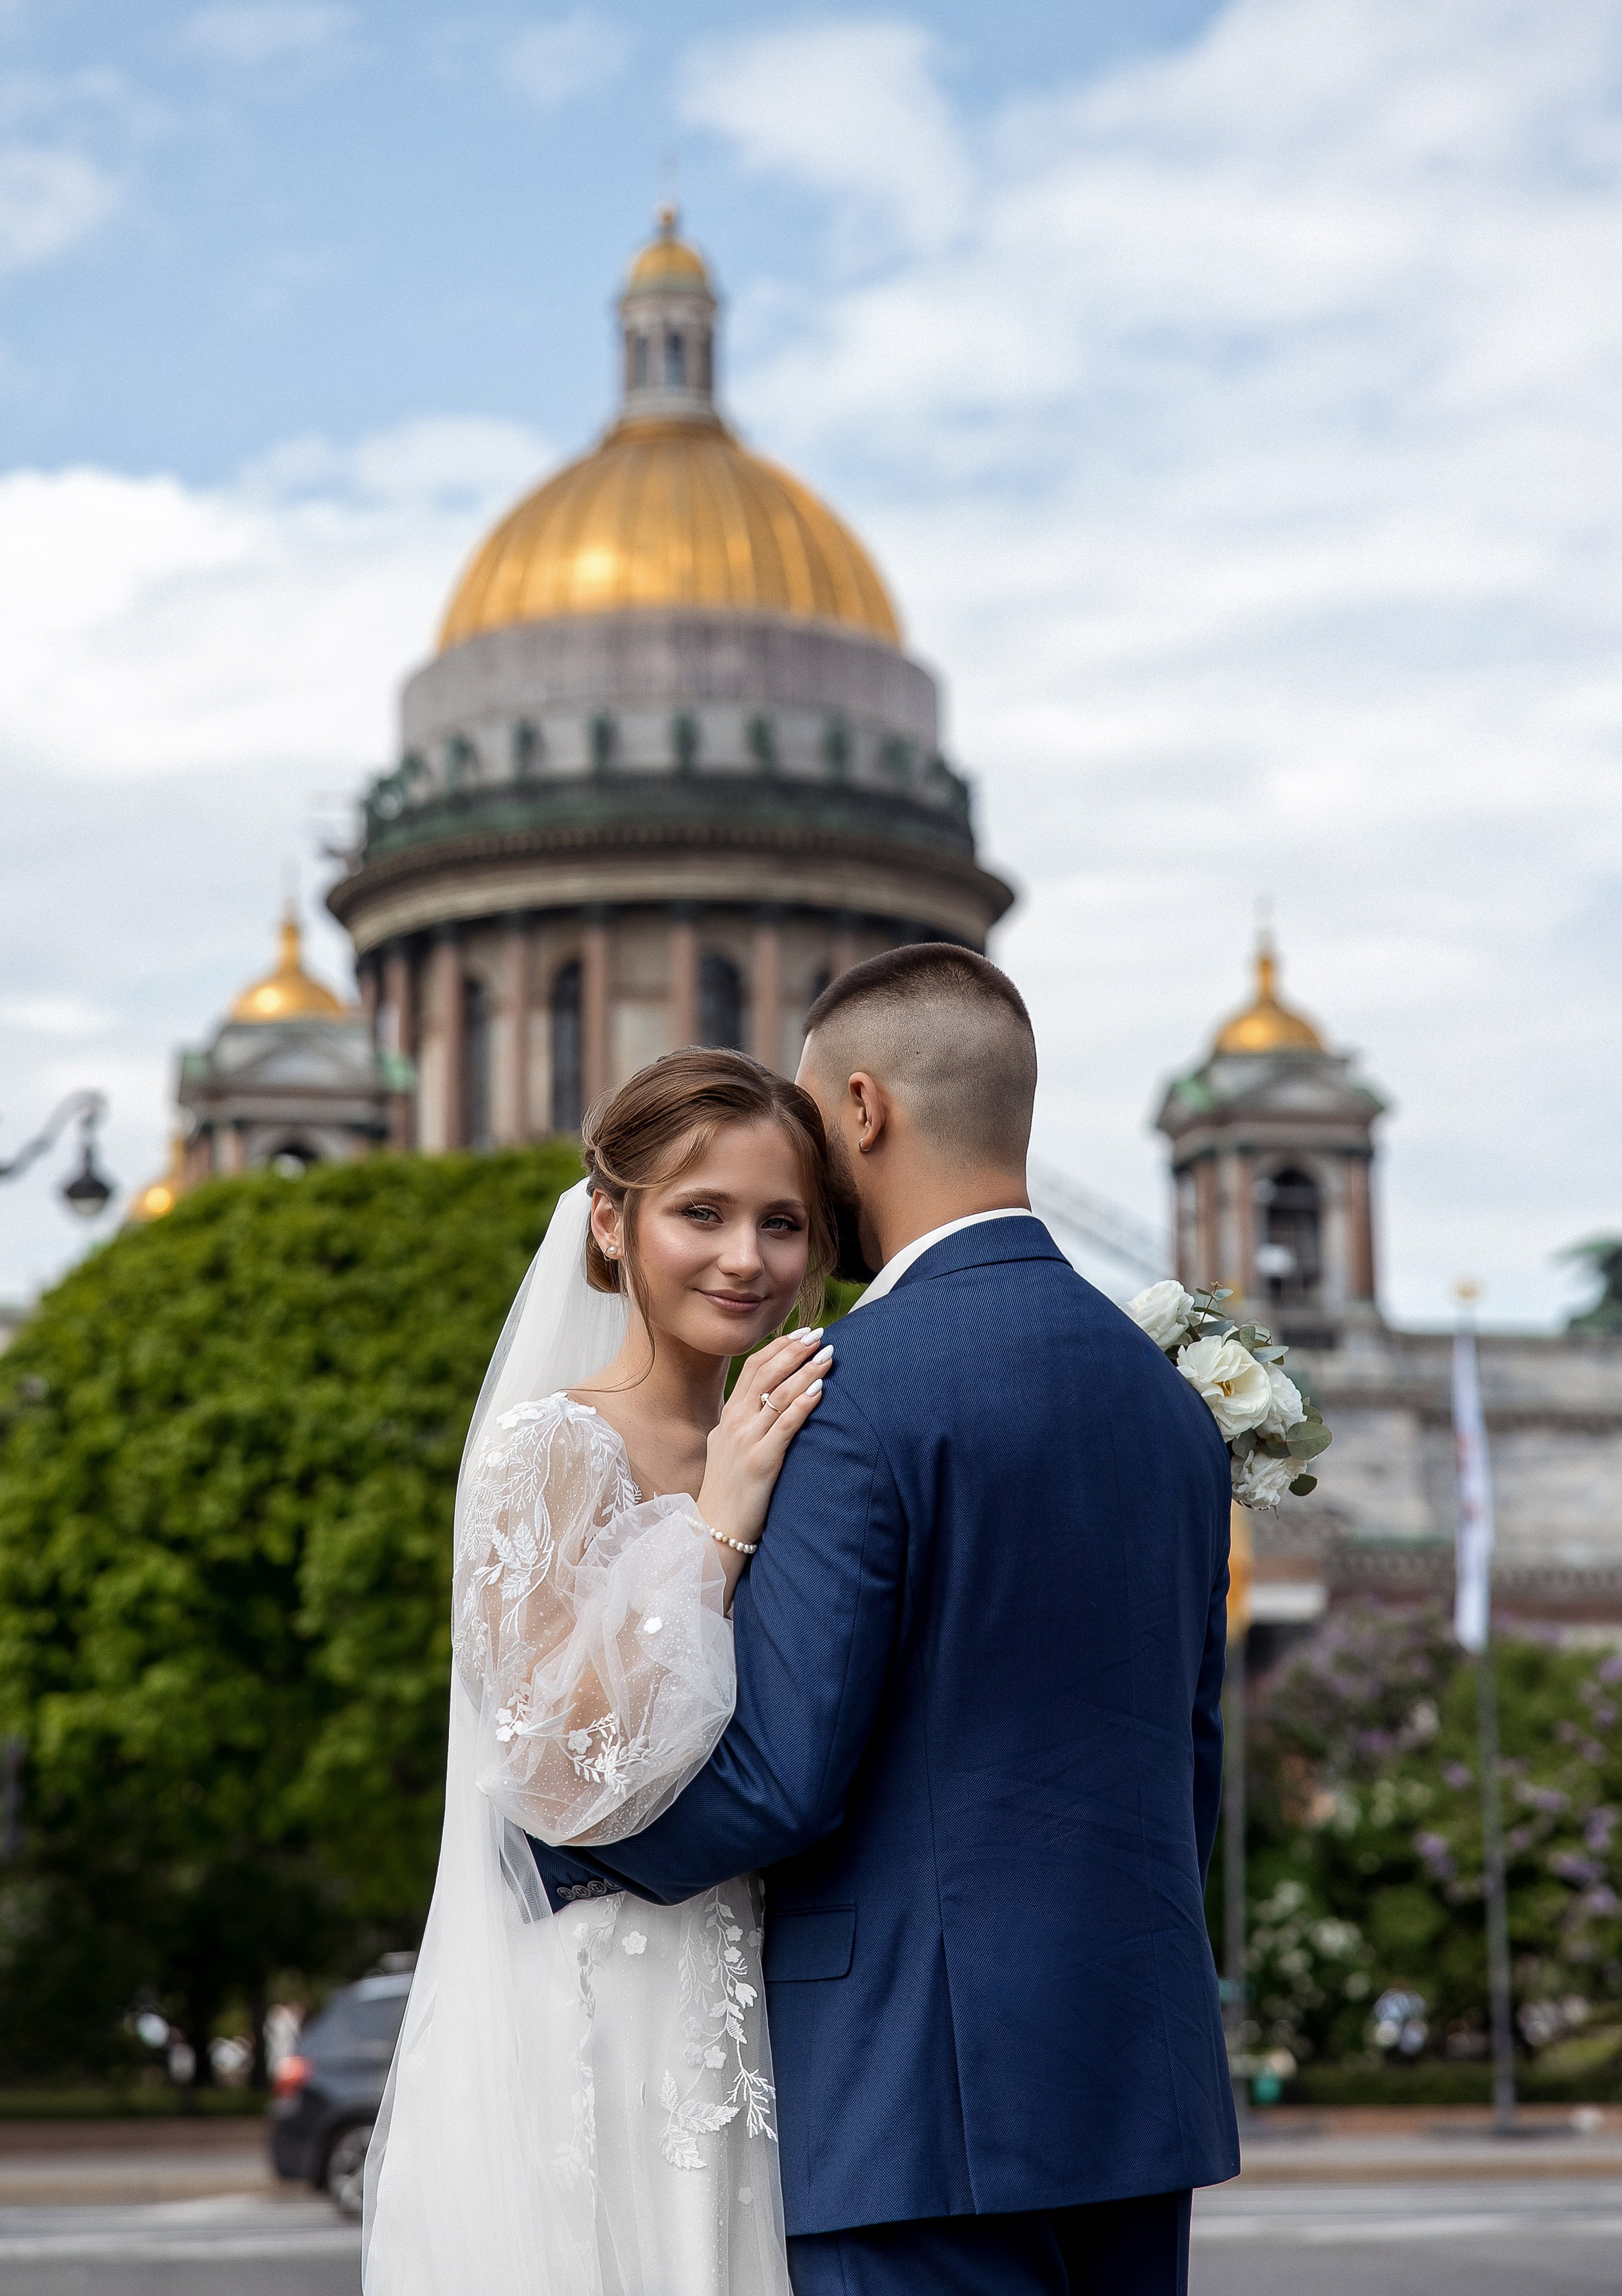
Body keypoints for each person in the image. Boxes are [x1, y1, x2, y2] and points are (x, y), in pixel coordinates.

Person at [529, 944, 1241, 2296]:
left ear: (861, 1110)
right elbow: (1185, 1763)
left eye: (807, 1124)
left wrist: (557, 1843)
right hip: (1133, 2084)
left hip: (908, 2095)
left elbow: (783, 1779)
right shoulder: (1171, 1406)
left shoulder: (839, 1390)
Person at [361, 1048, 841, 2296]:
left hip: (750, 1989)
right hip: (600, 1996)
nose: (746, 1257)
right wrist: (716, 1527)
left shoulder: (791, 1428)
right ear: (611, 1226)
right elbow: (556, 1771)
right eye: (702, 1213)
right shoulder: (552, 1446)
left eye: (779, 1223)